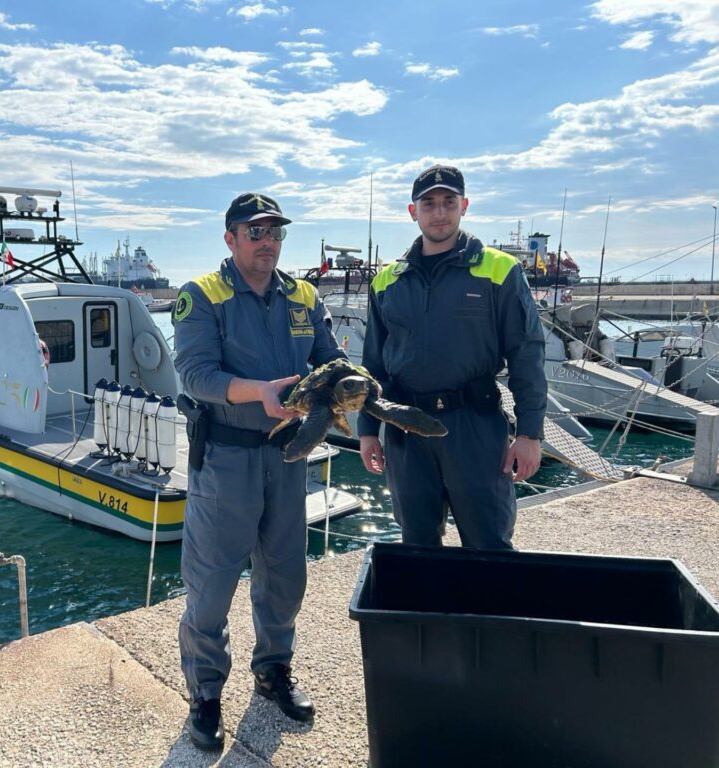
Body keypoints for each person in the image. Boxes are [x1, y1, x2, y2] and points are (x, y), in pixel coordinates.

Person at [173, 192, 345, 750]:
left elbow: (327, 358)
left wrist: (349, 385)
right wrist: (260, 392)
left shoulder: (303, 295)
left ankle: (273, 672)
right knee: (213, 583)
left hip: (289, 455)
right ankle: (205, 693)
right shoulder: (202, 295)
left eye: (275, 232)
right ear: (231, 238)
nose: (267, 241)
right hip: (226, 459)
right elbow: (195, 375)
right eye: (255, 231)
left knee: (285, 575)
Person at [358, 165, 546, 550]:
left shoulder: (498, 270)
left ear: (464, 206)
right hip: (404, 428)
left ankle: (489, 611)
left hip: (473, 427)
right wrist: (365, 430)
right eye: (428, 204)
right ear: (413, 212)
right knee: (417, 543)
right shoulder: (387, 280)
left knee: (488, 542)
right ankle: (427, 612)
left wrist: (529, 433)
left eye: (448, 202)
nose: (439, 213)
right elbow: (373, 367)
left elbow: (527, 353)